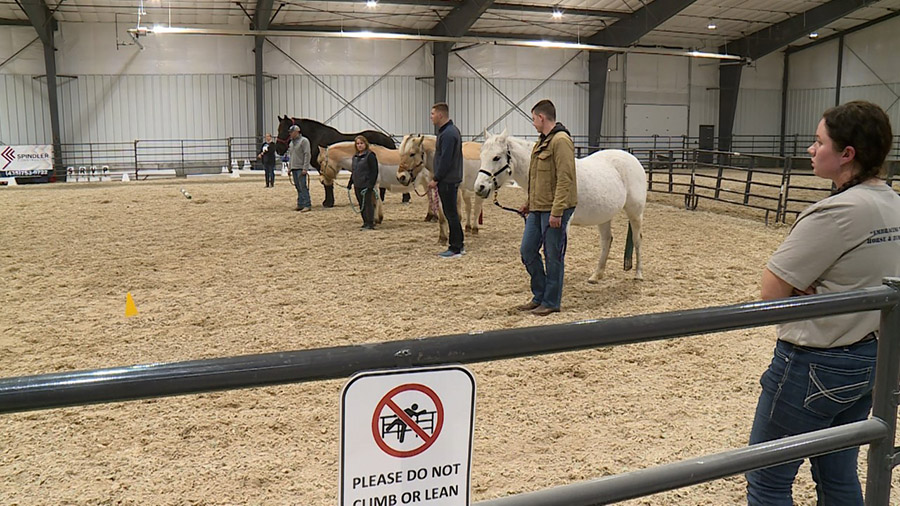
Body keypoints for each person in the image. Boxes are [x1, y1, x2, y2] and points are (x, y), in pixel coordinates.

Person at [745, 101, 900, 505]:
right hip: (871, 358)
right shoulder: (894, 205)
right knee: (837, 473)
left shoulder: (834, 213)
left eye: (819, 142)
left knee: (767, 479)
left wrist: (807, 287)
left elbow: (771, 293)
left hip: (815, 362)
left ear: (847, 154)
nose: (812, 150)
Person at [515, 99, 577, 317]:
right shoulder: (542, 141)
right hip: (538, 207)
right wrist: (529, 202)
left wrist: (557, 211)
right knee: (527, 251)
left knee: (553, 255)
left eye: (533, 119)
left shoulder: (561, 141)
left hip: (554, 209)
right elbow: (536, 177)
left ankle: (551, 301)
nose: (533, 123)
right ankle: (539, 295)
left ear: (541, 117)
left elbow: (565, 178)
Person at [428, 102, 465, 258]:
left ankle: (455, 247)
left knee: (451, 214)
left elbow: (446, 160)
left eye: (432, 113)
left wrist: (436, 178)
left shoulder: (448, 134)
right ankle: (458, 244)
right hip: (449, 178)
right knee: (451, 213)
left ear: (440, 115)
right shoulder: (447, 132)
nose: (431, 116)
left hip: (448, 180)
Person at [350, 135, 378, 230]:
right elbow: (354, 170)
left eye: (361, 143)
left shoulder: (370, 156)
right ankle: (365, 221)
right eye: (357, 144)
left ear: (365, 144)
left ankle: (370, 222)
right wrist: (350, 182)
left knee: (368, 203)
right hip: (357, 183)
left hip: (366, 184)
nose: (359, 145)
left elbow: (374, 171)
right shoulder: (355, 157)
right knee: (361, 203)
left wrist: (371, 184)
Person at [287, 124, 312, 212]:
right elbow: (291, 156)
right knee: (298, 187)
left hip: (300, 167)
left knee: (303, 186)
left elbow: (307, 154)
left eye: (292, 132)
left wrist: (305, 167)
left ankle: (307, 204)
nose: (290, 134)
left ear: (297, 132)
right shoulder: (291, 143)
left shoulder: (304, 141)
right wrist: (290, 167)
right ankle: (300, 203)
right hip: (294, 167)